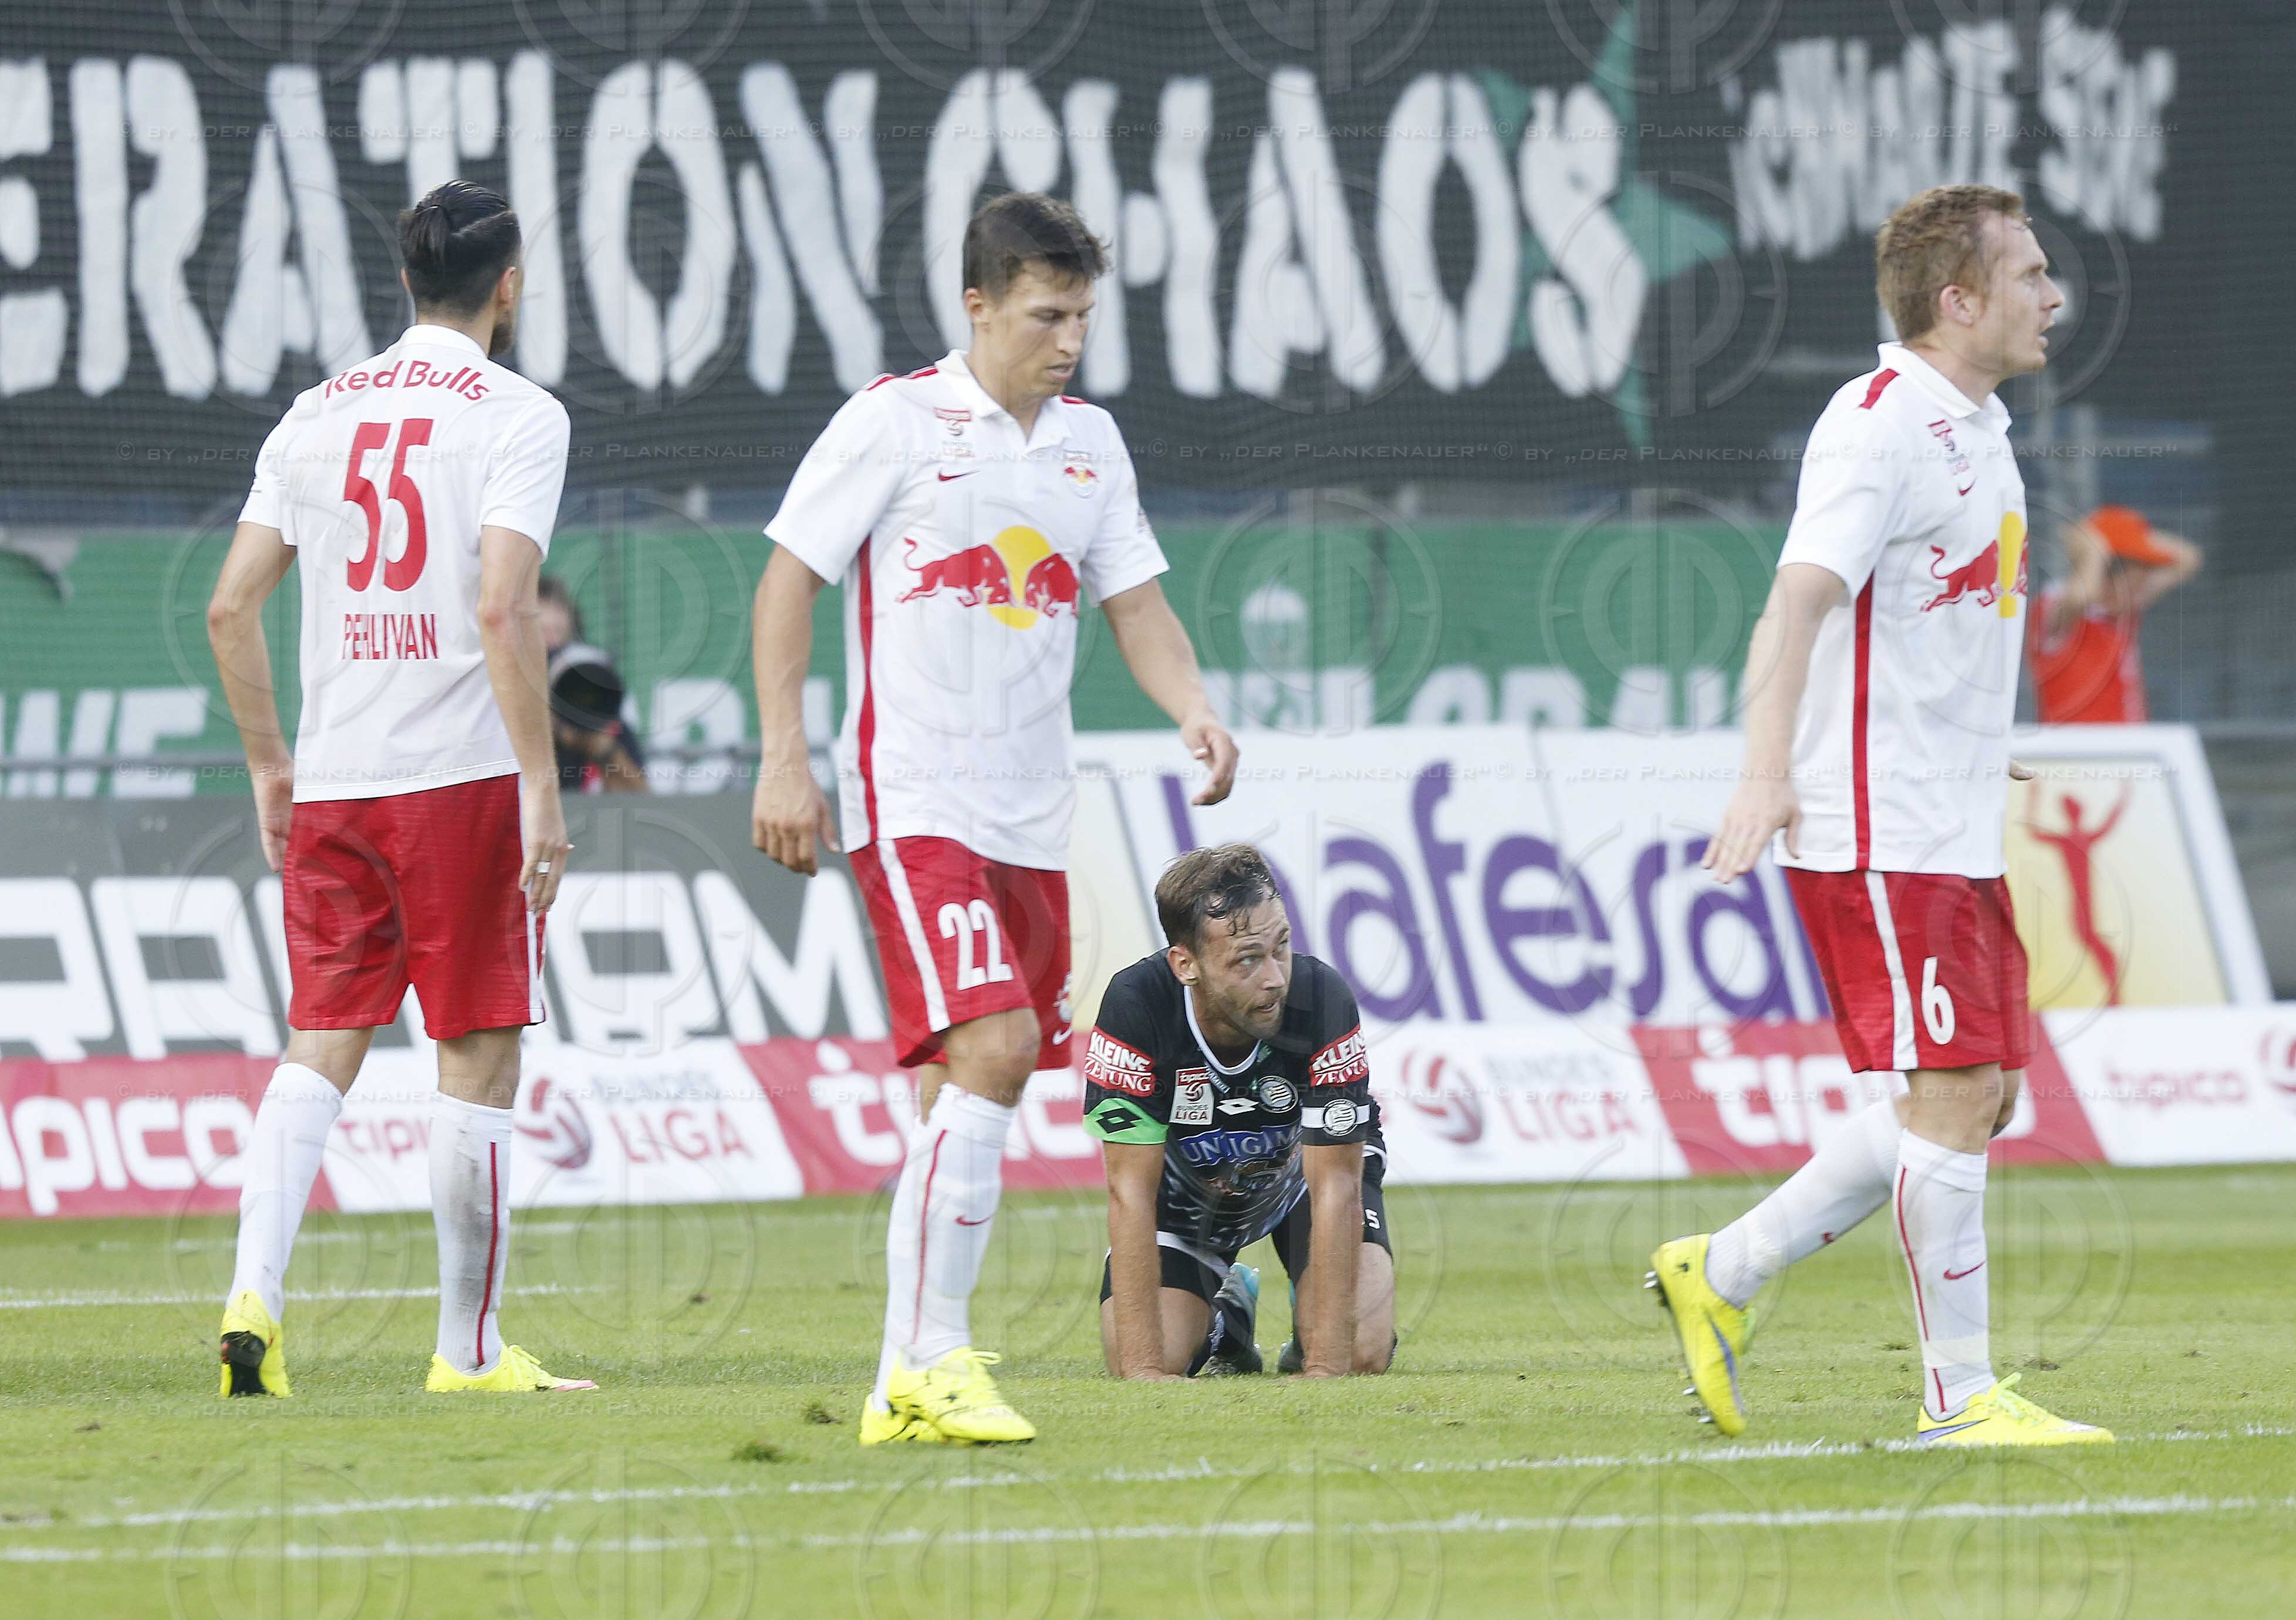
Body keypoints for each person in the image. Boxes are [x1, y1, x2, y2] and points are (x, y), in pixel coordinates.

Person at [749, 192, 1239, 1445]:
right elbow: (788, 578)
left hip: (1032, 819)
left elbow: (1135, 603)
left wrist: (1192, 705)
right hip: (915, 799)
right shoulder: (894, 421)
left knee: (963, 1089)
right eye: (1044, 316)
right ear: (977, 305)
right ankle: (938, 1357)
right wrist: (784, 760)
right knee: (998, 1046)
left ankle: (899, 1384)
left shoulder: (1091, 445)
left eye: (1081, 317)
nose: (1068, 340)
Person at [1670, 184, 2109, 1447]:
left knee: (1983, 1095)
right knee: (1954, 1092)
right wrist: (1765, 774)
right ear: (1956, 300)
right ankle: (1957, 1397)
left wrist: (1979, 741)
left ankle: (1724, 1271)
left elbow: (1928, 619)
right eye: (2029, 275)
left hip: (1948, 817)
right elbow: (1795, 604)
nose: (2053, 296)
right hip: (1880, 829)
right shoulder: (1880, 425)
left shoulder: (1981, 426)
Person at [204, 179, 593, 1398]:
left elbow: (228, 609)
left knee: (319, 1042)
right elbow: (502, 609)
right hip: (459, 784)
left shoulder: (313, 413)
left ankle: (254, 1296)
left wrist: (272, 765)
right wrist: (543, 787)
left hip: (335, 782)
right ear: (508, 288)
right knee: (475, 1061)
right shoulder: (519, 415)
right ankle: (468, 1353)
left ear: (406, 281)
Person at [1086, 844, 1394, 1382]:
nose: (1275, 977)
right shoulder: (1136, 1006)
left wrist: (1325, 1367)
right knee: (1144, 1357)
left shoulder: (1322, 998)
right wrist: (1145, 1371)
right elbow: (1129, 1191)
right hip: (1184, 1205)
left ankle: (1309, 1329)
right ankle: (1228, 1322)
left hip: (1303, 1184)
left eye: (1282, 947)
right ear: (1186, 965)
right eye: (1247, 959)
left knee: (1361, 1355)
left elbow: (1337, 1186)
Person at [2028, 505, 2201, 723]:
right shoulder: (2055, 603)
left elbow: (2188, 559)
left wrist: (2132, 536)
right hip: (2077, 742)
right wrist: (2093, 550)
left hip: (2128, 740)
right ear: (2110, 569)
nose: (2147, 581)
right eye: (2142, 569)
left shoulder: (2123, 610)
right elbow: (2081, 597)